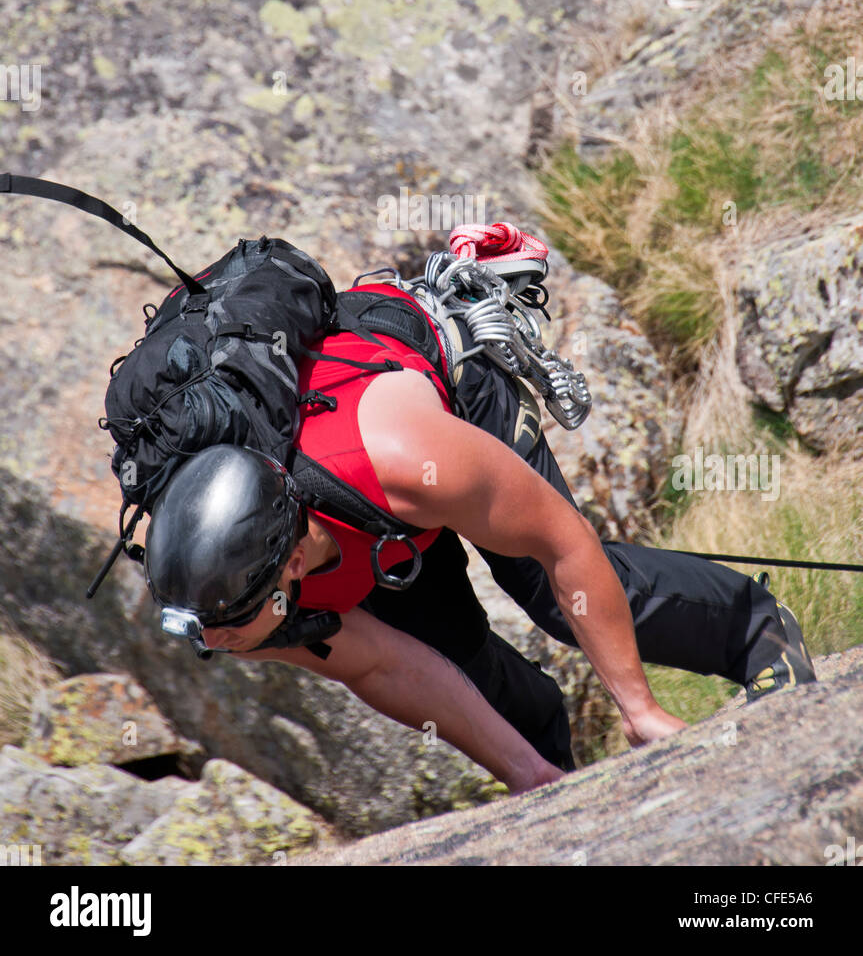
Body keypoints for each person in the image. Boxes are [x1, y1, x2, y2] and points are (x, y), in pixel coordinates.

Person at [144, 224, 816, 791]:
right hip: (361, 525)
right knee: (455, 658)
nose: (215, 644)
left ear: (291, 564)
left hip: (439, 399)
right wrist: (528, 776)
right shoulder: (218, 583)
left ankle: (752, 628)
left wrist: (635, 708)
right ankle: (552, 759)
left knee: (554, 596)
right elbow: (381, 662)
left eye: (227, 627)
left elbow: (564, 545)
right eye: (209, 629)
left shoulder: (405, 458)